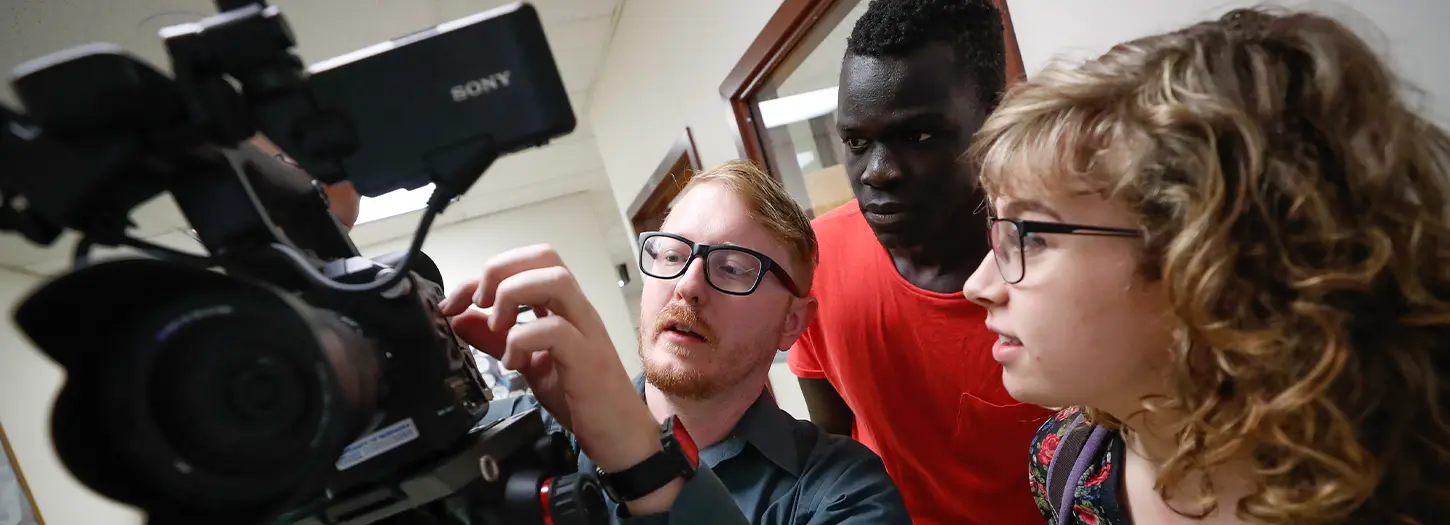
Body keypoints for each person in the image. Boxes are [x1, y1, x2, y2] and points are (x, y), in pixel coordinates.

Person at [963, 8, 1450, 525]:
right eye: (997, 228)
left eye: (1032, 235)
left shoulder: (1412, 491)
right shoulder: (1067, 465)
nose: (978, 285)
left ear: (1207, 257)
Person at [439, 160, 910, 524]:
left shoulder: (844, 491)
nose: (688, 285)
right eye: (671, 253)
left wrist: (642, 464)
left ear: (792, 323)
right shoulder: (520, 442)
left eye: (733, 267)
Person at [787, 0, 1050, 523]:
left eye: (918, 136)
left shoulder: (1060, 264)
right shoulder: (815, 261)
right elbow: (832, 457)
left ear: (993, 120)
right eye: (857, 141)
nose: (877, 172)